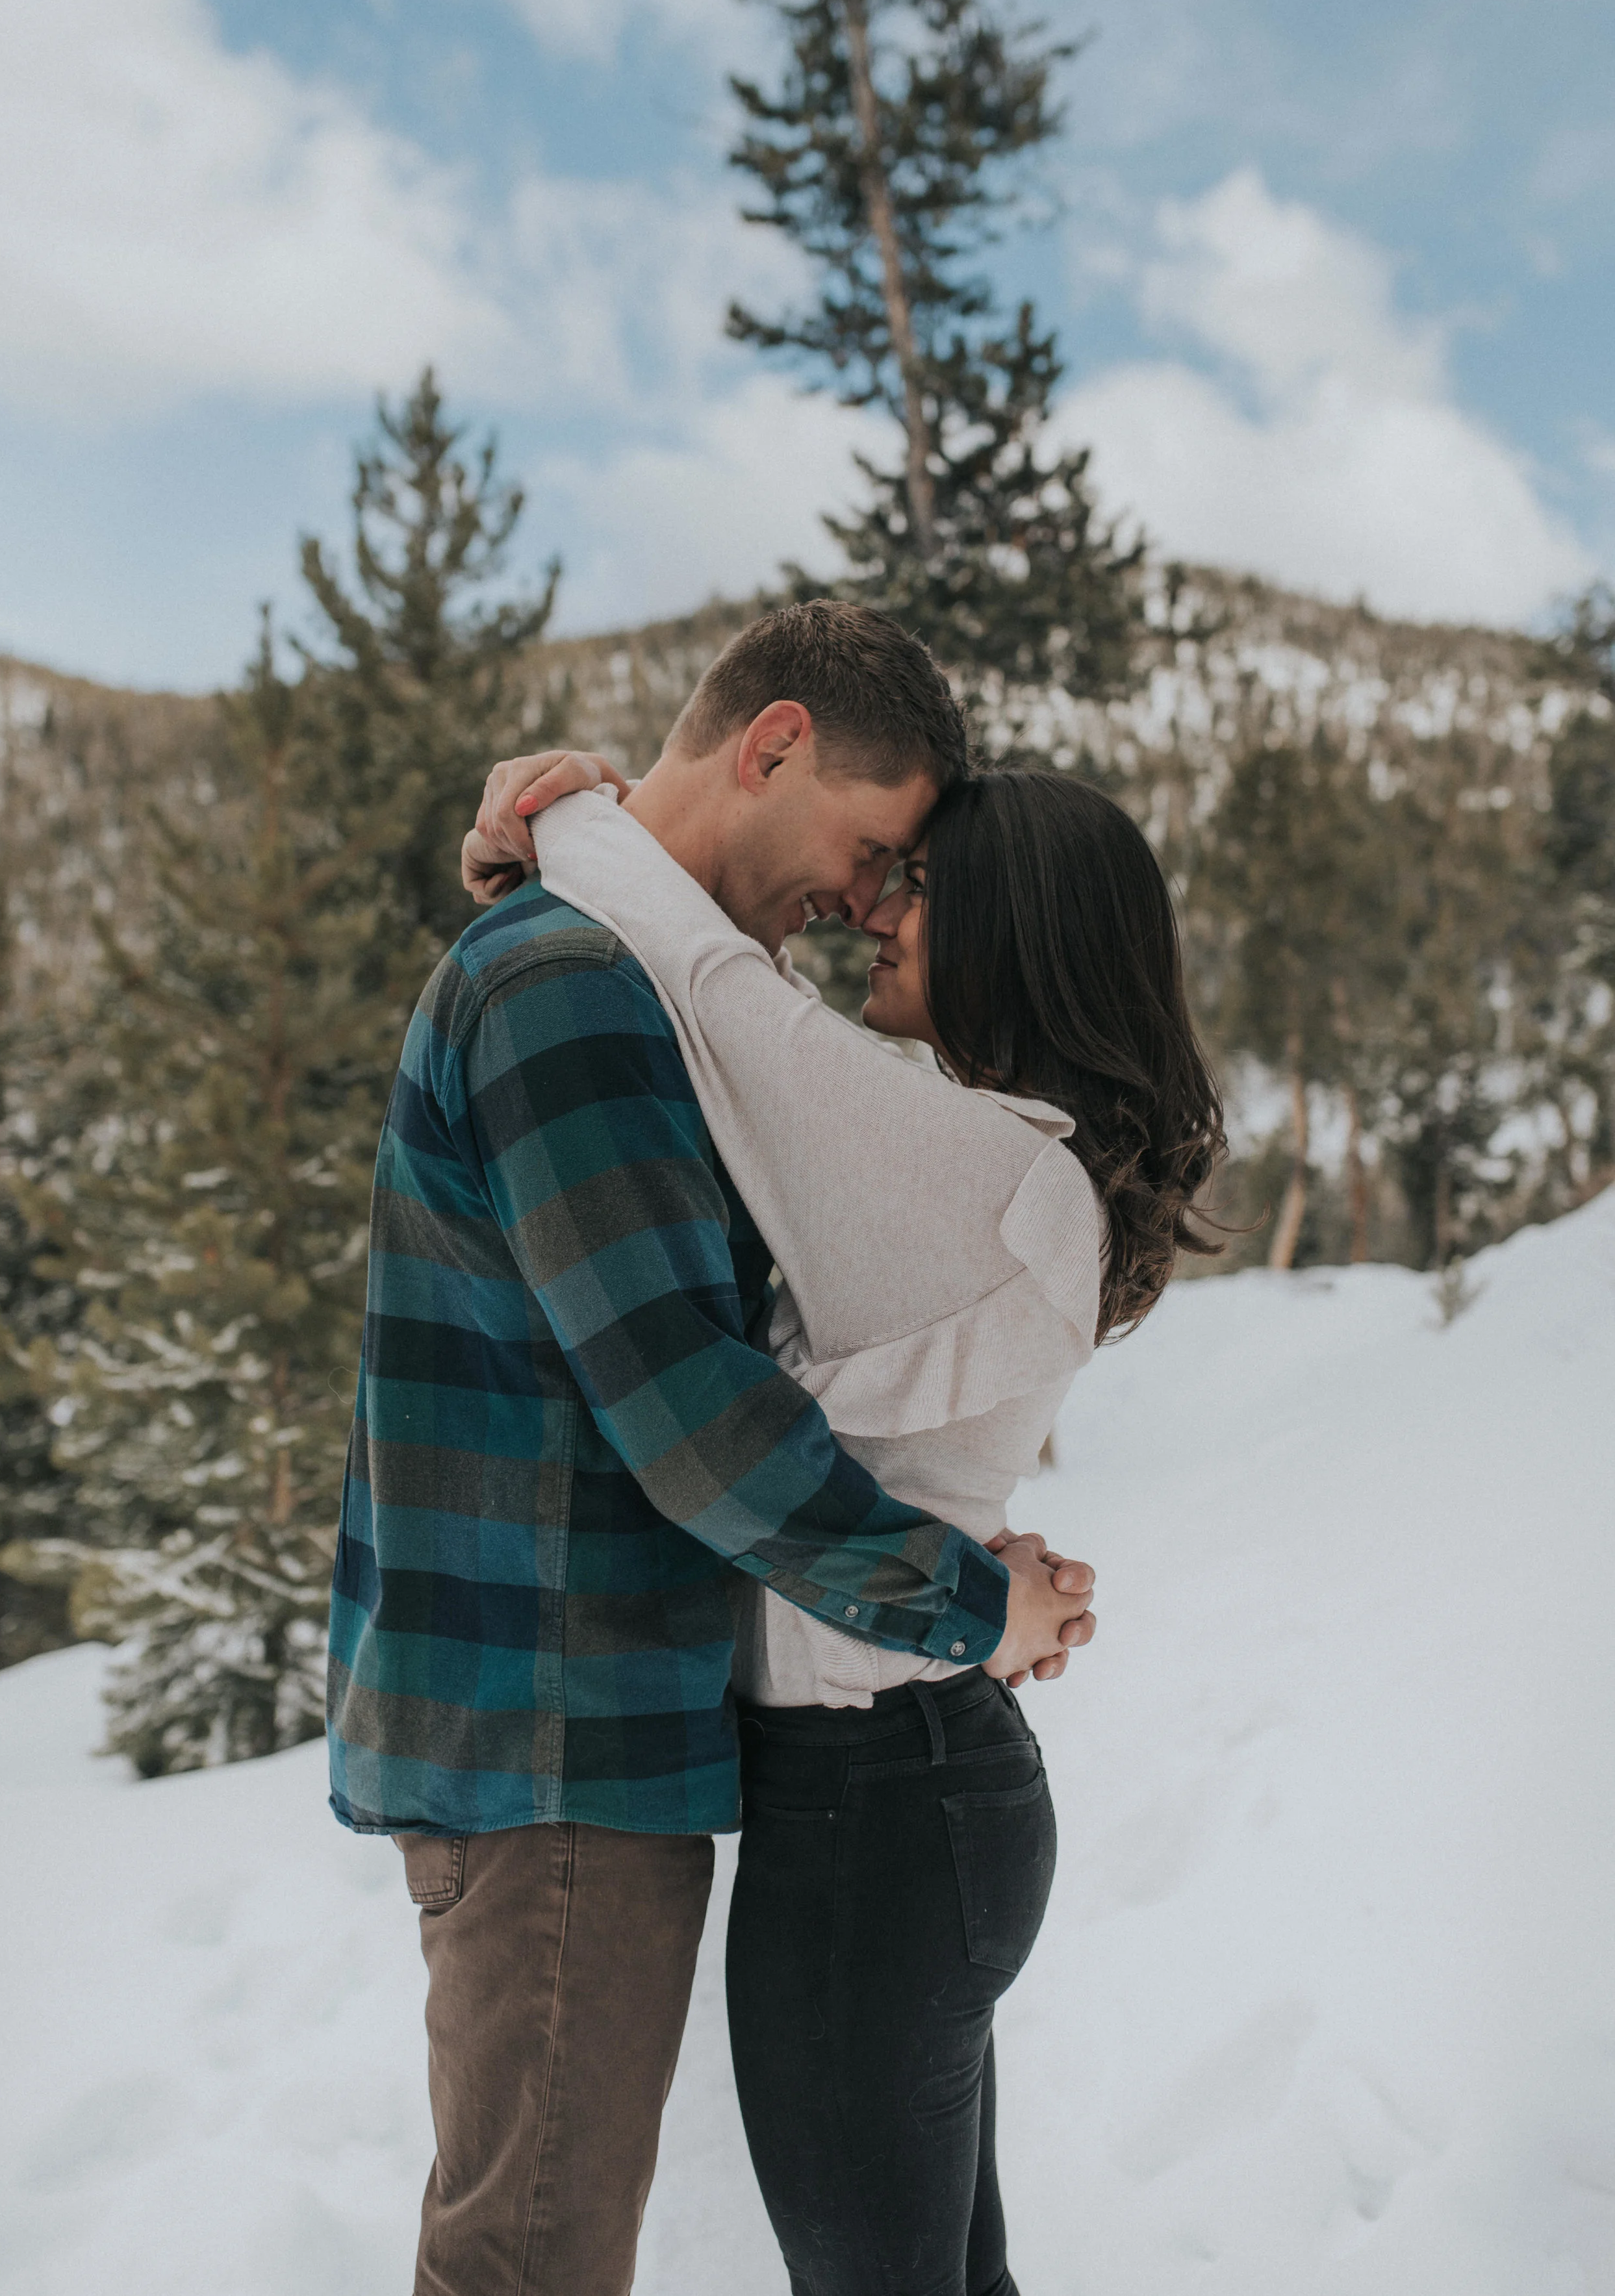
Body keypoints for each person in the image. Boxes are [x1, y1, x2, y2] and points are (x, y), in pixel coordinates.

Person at [325, 601, 1093, 2296]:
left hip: (574, 1724)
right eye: (871, 844)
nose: (870, 901)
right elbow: (693, 1411)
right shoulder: (570, 989)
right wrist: (964, 1602)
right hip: (552, 1733)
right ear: (773, 744)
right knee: (526, 2264)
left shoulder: (607, 972)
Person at [461, 725, 1224, 2296]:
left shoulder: (977, 1166)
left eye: (922, 888)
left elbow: (722, 1005)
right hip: (908, 1790)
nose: (875, 912)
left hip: (876, 1810)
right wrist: (965, 1573)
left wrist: (577, 814)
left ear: (1018, 934)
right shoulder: (1010, 1165)